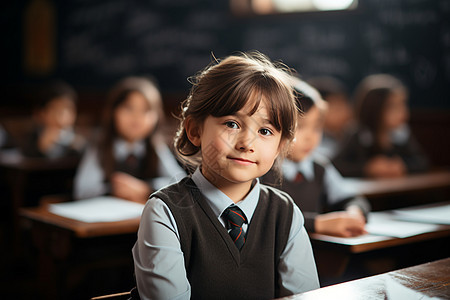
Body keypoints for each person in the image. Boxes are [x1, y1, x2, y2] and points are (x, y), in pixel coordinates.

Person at [132, 52, 319, 300]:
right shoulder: (165, 212)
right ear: (195, 130)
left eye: (265, 130)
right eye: (232, 124)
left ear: (280, 146)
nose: (246, 143)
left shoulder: (285, 214)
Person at [262, 78, 370, 237]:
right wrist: (318, 224)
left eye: (316, 127)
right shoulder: (263, 169)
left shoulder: (319, 167)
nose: (310, 137)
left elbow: (351, 198)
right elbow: (265, 218)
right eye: (301, 127)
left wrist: (353, 213)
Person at [73, 76, 185, 202]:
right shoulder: (101, 145)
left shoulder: (155, 146)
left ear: (157, 117)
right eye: (129, 108)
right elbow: (82, 190)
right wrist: (113, 189)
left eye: (146, 110)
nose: (136, 117)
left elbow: (180, 183)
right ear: (113, 112)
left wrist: (146, 188)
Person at [333, 74, 429, 178]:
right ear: (375, 109)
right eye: (394, 107)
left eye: (403, 104)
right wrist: (367, 168)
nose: (403, 112)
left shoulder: (401, 133)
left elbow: (422, 162)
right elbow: (337, 166)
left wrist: (402, 166)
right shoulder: (357, 134)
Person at [22, 80, 86, 158]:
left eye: (68, 109)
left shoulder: (76, 137)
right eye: (55, 110)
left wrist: (78, 146)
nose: (62, 117)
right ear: (40, 113)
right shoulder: (33, 138)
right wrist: (41, 148)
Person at [307, 76, 354, 160]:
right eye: (338, 109)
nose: (346, 113)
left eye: (346, 105)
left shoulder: (348, 136)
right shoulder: (312, 147)